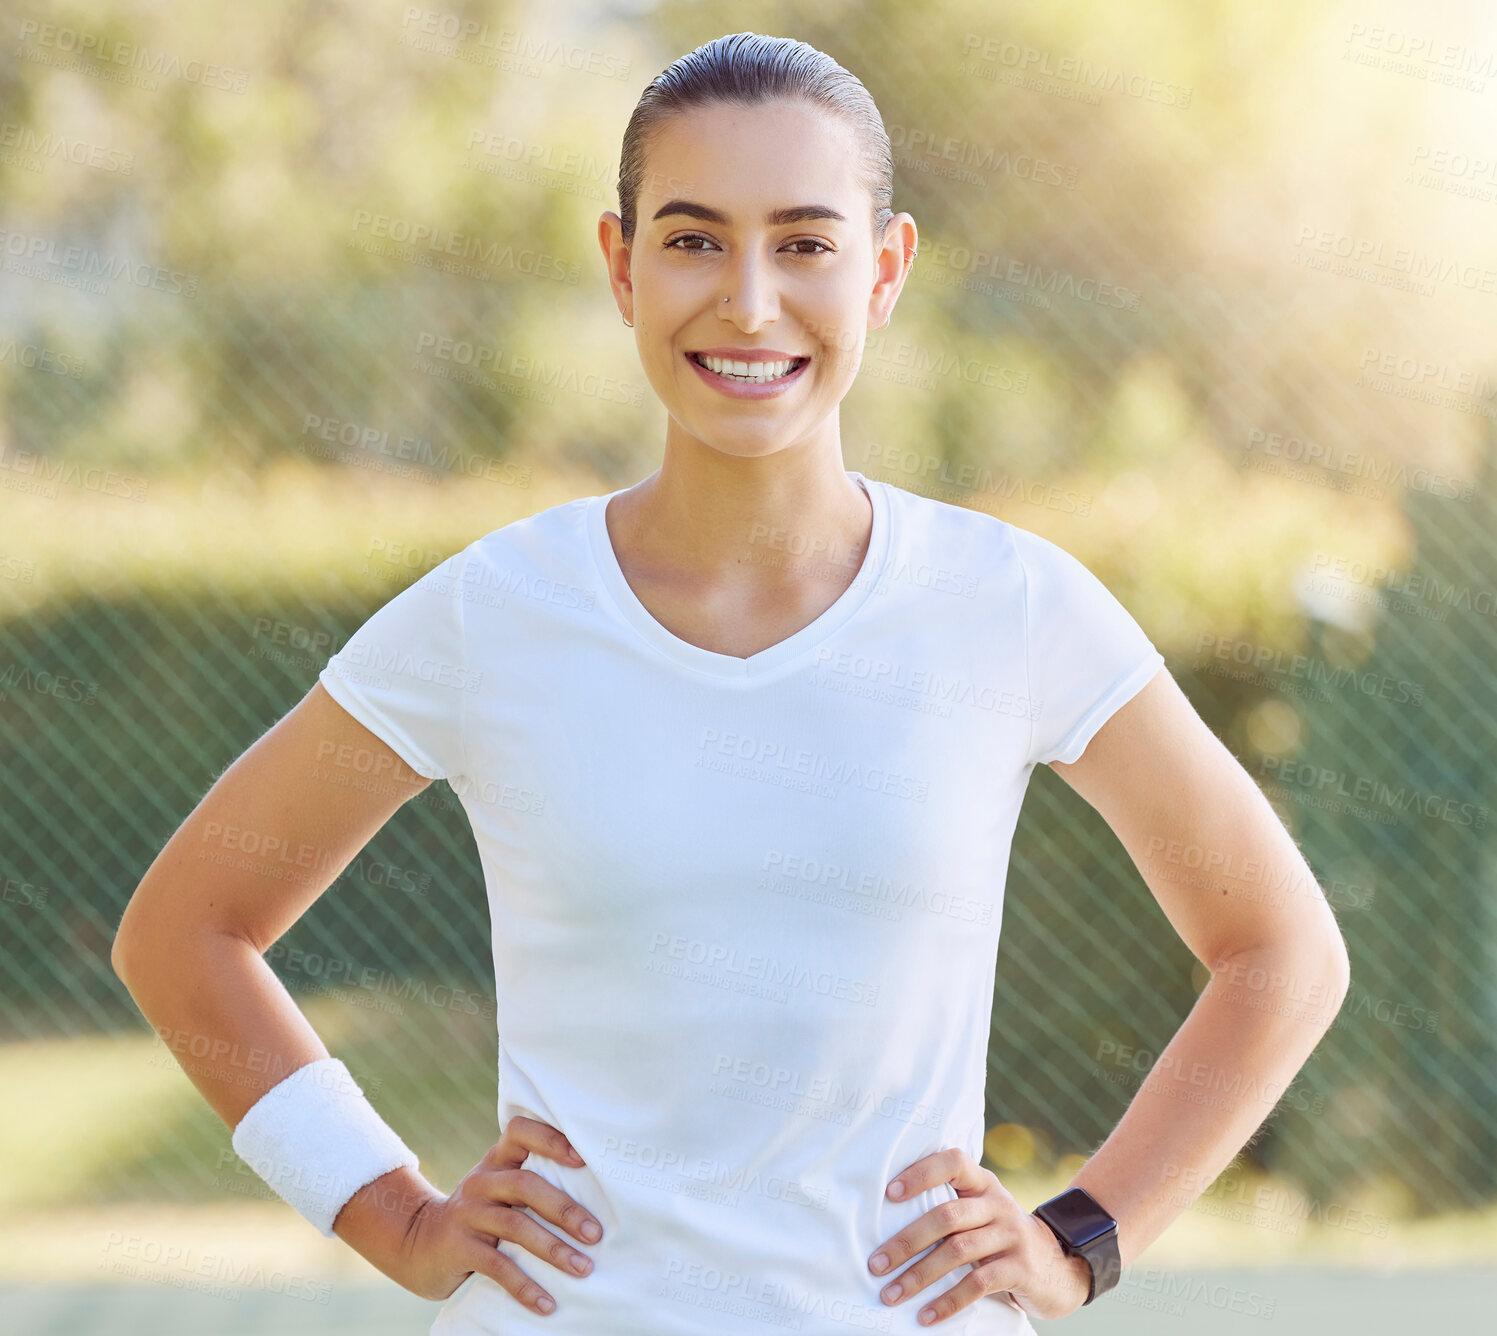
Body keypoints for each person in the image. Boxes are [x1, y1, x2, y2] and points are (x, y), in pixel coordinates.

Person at [112, 31, 1352, 1336]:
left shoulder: (1009, 606)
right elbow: (187, 932)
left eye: (805, 243)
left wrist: (1081, 1240)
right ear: (620, 266)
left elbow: (1279, 953)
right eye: (695, 240)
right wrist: (391, 1213)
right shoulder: (496, 614)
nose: (749, 303)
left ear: (883, 272)